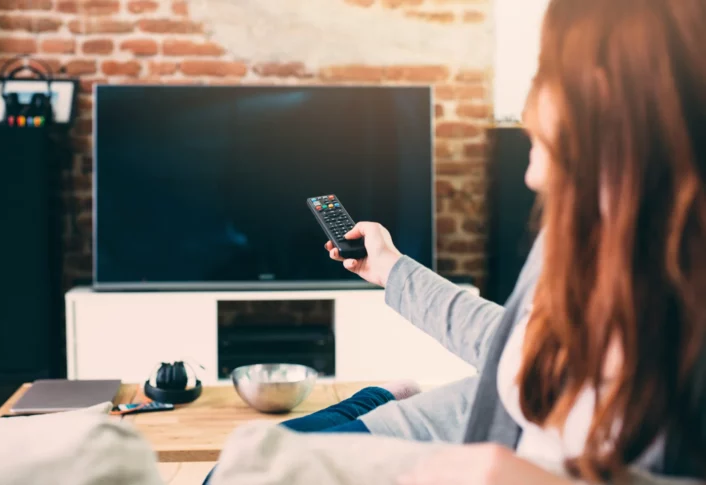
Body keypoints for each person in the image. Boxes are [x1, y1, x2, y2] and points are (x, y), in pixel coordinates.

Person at [266, 0, 706, 482]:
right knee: (239, 467)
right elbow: (510, 343)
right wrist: (391, 268)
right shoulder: (577, 235)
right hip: (442, 432)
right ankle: (378, 397)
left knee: (242, 470)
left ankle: (376, 397)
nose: (528, 104)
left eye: (545, 73)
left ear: (599, 96)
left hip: (453, 451)